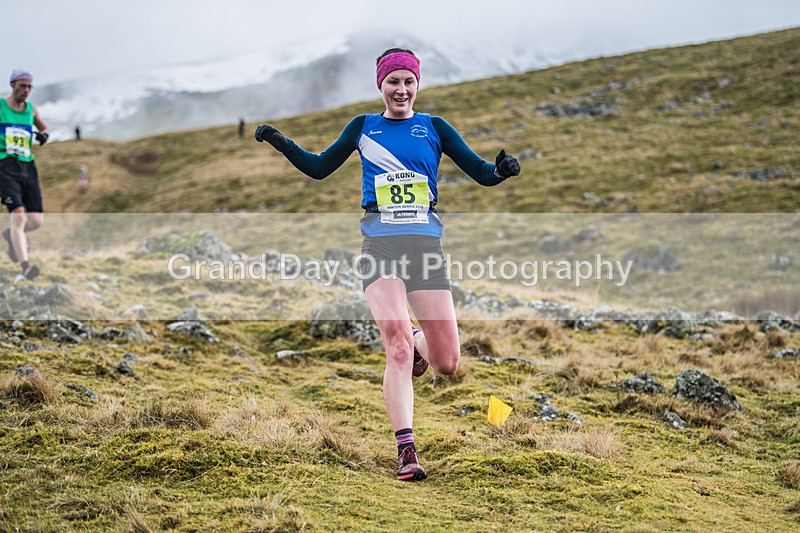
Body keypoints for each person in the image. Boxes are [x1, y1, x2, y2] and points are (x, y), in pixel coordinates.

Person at [255, 48, 521, 481]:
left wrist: (501, 170)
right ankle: (406, 450)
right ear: (380, 85)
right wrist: (283, 142)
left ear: (418, 85)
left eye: (408, 81)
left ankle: (419, 338)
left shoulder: (434, 128)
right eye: (393, 81)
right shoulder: (363, 127)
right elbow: (320, 168)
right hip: (379, 249)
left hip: (425, 252)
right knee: (396, 346)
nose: (401, 89)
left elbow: (480, 172)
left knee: (447, 362)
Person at [1, 69, 49, 281]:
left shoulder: (30, 109)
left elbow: (44, 126)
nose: (26, 90)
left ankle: (12, 237)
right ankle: (26, 267)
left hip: (28, 166)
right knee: (18, 215)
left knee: (37, 221)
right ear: (13, 85)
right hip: (5, 165)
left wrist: (44, 134)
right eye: (22, 86)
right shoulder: (1, 106)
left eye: (30, 86)